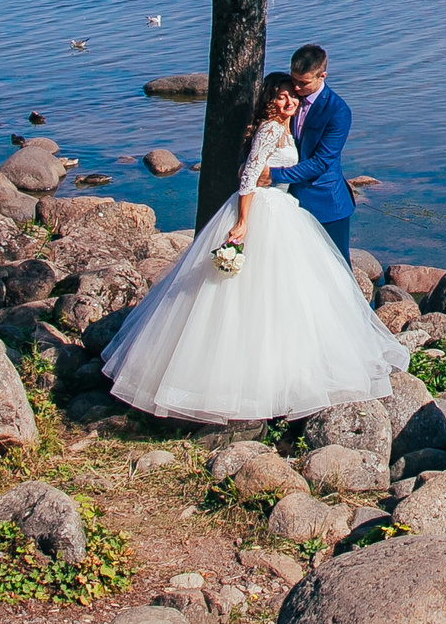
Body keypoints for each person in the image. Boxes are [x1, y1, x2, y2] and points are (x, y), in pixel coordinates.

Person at [99, 71, 407, 423]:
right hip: (262, 211)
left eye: (292, 95)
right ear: (269, 101)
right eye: (280, 96)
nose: (289, 101)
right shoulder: (271, 130)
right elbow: (248, 176)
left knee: (283, 295)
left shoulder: (286, 127)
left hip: (284, 210)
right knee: (248, 298)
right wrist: (244, 221)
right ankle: (245, 386)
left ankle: (285, 374)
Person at [272, 43, 357, 260]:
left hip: (326, 203)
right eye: (294, 80)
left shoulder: (338, 111)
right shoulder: (287, 99)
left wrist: (272, 174)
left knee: (335, 267)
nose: (297, 88)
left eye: (304, 83)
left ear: (322, 76)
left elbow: (320, 163)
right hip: (288, 200)